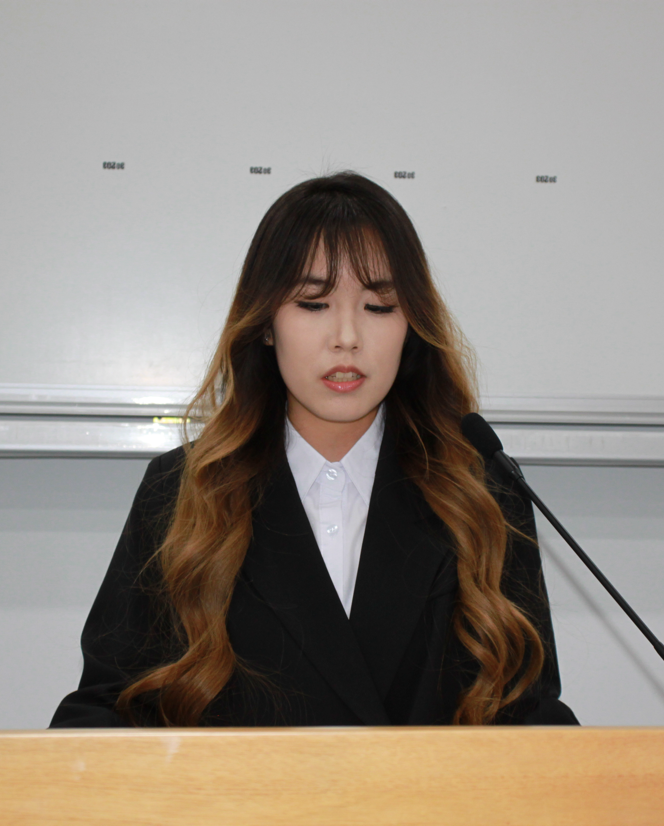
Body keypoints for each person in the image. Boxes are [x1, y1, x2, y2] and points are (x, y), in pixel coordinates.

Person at [51, 172, 576, 727]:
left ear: (412, 324)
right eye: (313, 303)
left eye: (379, 306)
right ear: (266, 324)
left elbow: (528, 715)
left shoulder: (482, 492)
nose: (346, 336)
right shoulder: (183, 490)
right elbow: (109, 712)